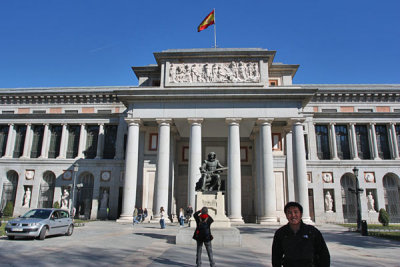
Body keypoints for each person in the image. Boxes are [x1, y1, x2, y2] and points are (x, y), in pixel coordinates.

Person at [272, 202, 330, 267]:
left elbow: (323, 254)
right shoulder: (280, 233)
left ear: (301, 214)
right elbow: (276, 257)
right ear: (286, 215)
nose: (293, 215)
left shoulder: (312, 232)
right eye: (289, 213)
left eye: (296, 212)